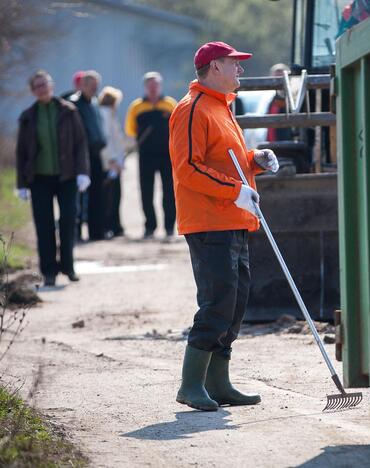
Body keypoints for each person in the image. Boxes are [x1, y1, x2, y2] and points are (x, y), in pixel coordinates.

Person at [168, 41, 279, 411]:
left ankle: (218, 382)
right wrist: (235, 191)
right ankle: (191, 385)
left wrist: (255, 160)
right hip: (208, 220)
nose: (240, 71)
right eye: (235, 65)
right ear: (215, 67)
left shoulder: (222, 108)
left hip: (233, 219)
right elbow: (189, 168)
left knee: (235, 303)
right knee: (217, 301)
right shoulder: (191, 109)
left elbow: (228, 160)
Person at [15, 70, 90, 286]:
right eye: (37, 86)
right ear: (32, 91)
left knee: (68, 222)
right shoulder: (28, 116)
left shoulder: (68, 110)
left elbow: (80, 143)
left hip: (67, 177)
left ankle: (68, 266)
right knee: (44, 226)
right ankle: (48, 271)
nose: (42, 88)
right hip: (39, 179)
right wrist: (21, 184)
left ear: (52, 85)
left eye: (45, 84)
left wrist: (83, 172)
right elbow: (20, 152)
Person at [125, 72, 178, 240]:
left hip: (167, 154)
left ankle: (169, 227)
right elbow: (130, 129)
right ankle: (150, 227)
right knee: (146, 192)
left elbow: (178, 126)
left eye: (155, 85)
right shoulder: (136, 106)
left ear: (160, 86)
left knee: (169, 191)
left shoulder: (170, 104)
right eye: (150, 85)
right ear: (145, 87)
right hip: (146, 155)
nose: (153, 88)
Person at [69, 71, 108, 241]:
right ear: (82, 85)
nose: (95, 89)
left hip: (96, 153)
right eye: (91, 86)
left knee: (97, 195)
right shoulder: (74, 104)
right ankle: (76, 232)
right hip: (81, 155)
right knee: (78, 195)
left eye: (96, 86)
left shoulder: (94, 102)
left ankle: (96, 232)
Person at [98, 85, 127, 238]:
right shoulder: (104, 114)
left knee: (116, 196)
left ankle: (116, 226)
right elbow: (106, 140)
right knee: (110, 197)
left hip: (115, 163)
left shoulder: (110, 114)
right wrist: (113, 160)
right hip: (110, 163)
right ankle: (110, 226)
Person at [266, 63, 294, 142]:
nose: (278, 82)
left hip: (288, 142)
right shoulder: (271, 99)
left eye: (281, 78)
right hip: (274, 142)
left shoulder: (294, 98)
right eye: (275, 78)